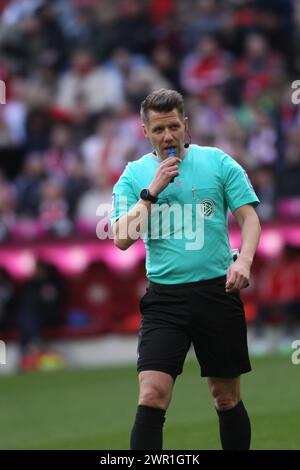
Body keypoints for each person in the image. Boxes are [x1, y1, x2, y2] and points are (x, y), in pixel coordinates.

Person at [110, 89, 261, 450]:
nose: (168, 136)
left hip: (217, 292)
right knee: (152, 394)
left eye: (174, 127)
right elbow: (121, 238)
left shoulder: (218, 163)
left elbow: (249, 218)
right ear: (144, 131)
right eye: (159, 129)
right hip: (165, 299)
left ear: (186, 125)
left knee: (225, 397)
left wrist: (244, 260)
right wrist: (152, 191)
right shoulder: (134, 176)